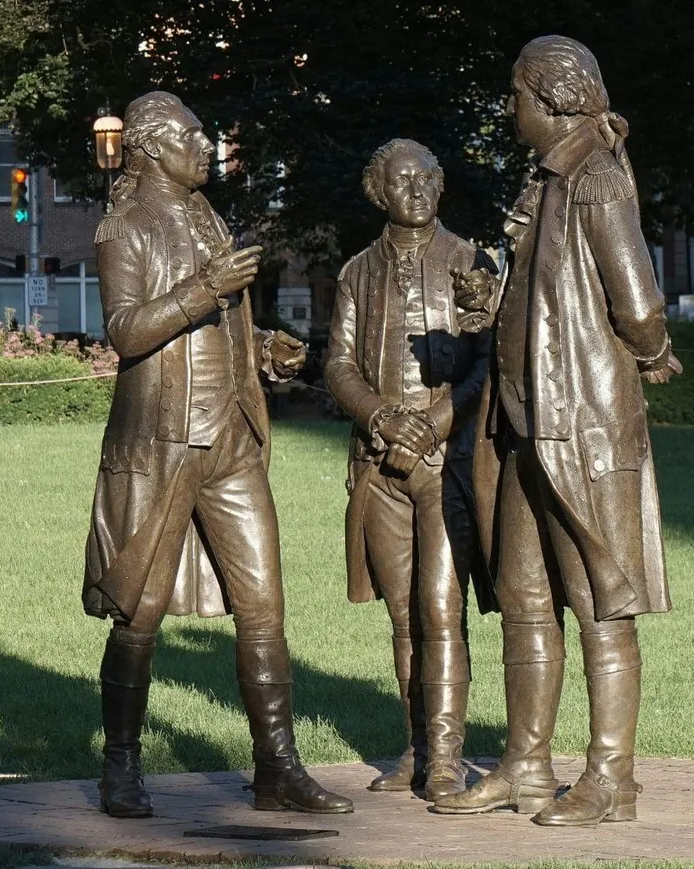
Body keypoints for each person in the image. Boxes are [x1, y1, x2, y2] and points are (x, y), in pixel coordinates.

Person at [432, 37, 682, 827]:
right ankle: (525, 764)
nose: (512, 109)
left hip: (581, 424)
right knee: (523, 595)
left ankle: (612, 777)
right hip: (522, 422)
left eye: (517, 96)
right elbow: (543, 294)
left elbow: (636, 301)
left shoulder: (596, 179)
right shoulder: (544, 182)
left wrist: (652, 353)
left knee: (600, 597)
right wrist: (491, 297)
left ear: (554, 100)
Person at [83, 90, 352, 819]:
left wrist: (264, 348)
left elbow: (219, 323)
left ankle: (278, 767)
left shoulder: (207, 214)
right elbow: (126, 332)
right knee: (137, 612)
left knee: (265, 607)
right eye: (194, 138)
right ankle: (122, 766)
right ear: (150, 146)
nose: (207, 148)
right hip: (164, 441)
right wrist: (208, 288)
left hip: (231, 437)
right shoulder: (123, 227)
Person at [324, 139, 496, 800]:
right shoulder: (357, 272)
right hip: (378, 464)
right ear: (378, 189)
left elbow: (488, 362)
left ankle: (449, 754)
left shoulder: (469, 261)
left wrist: (430, 422)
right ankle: (418, 747)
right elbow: (338, 363)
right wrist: (379, 417)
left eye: (428, 176)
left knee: (440, 608)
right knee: (403, 615)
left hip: (445, 461)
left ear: (442, 183)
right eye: (402, 178)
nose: (417, 187)